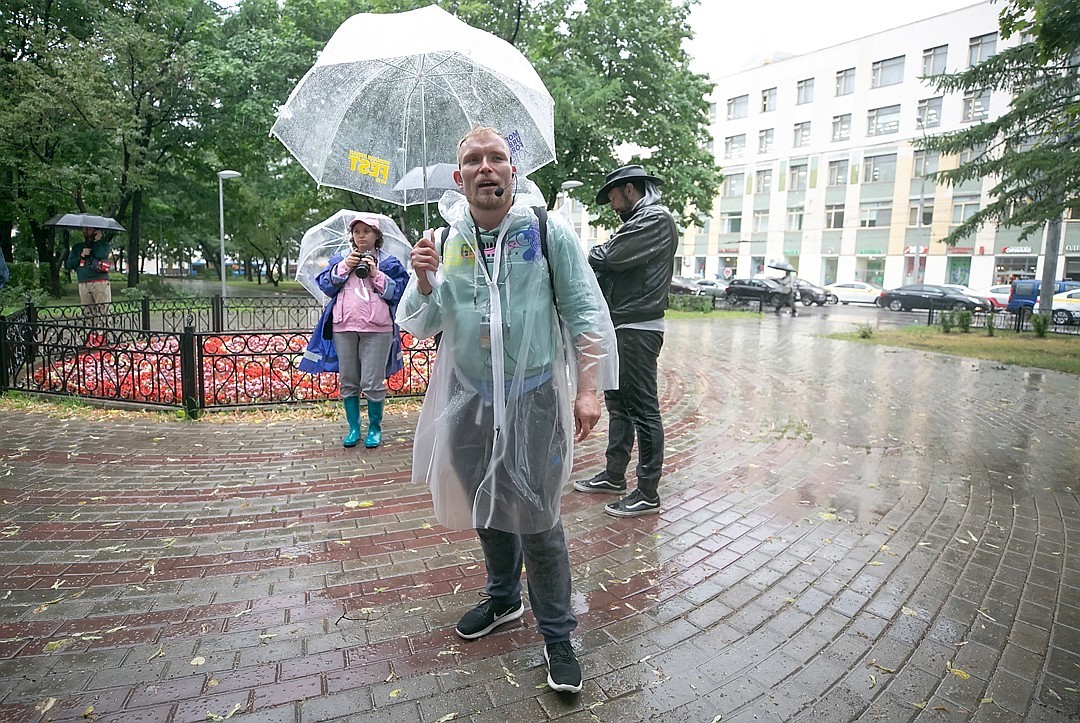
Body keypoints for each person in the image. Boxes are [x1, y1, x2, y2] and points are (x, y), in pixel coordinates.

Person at [397, 126, 618, 694]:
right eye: (474, 160)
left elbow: (585, 313)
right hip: (467, 394)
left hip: (536, 394)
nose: (487, 168)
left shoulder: (548, 232)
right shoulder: (445, 240)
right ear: (459, 178)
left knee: (540, 517)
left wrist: (588, 389)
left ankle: (558, 635)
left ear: (514, 173)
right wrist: (422, 282)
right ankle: (502, 599)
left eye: (498, 158)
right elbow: (422, 323)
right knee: (484, 502)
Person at [573, 164, 677, 518]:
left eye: (614, 197)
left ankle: (647, 491)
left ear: (629, 189)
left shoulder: (654, 219)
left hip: (638, 326)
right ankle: (614, 474)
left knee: (643, 408)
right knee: (620, 404)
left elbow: (609, 256)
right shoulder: (641, 220)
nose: (613, 206)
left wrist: (598, 254)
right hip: (622, 324)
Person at [299, 213, 410, 448]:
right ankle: (353, 429)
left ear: (376, 236)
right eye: (357, 232)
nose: (361, 236)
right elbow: (326, 286)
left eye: (366, 231)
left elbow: (400, 292)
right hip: (344, 326)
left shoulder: (388, 262)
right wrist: (342, 268)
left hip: (378, 329)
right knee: (349, 380)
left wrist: (375, 274)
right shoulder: (341, 258)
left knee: (372, 382)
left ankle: (375, 429)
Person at [64, 227, 113, 327]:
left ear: (95, 231)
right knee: (88, 313)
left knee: (104, 312)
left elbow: (101, 254)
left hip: (100, 282)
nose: (86, 231)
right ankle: (92, 337)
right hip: (83, 283)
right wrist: (81, 255)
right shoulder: (77, 247)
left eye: (89, 229)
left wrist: (97, 241)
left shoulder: (104, 245)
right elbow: (69, 264)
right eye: (84, 229)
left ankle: (106, 337)